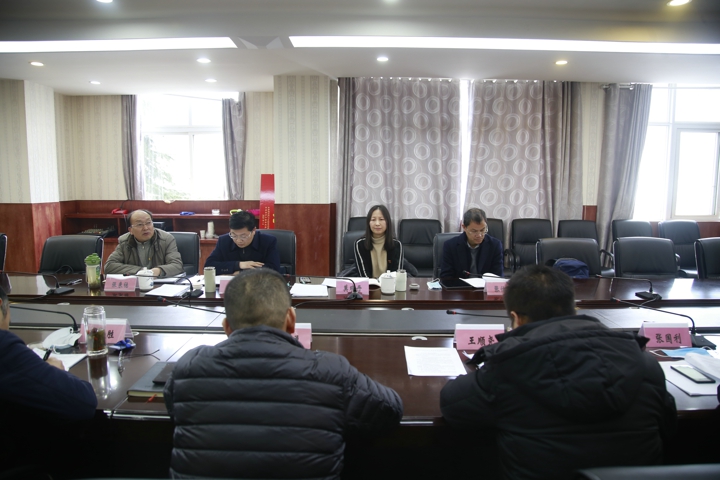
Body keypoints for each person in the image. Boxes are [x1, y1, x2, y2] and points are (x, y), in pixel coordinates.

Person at [440, 265, 677, 480]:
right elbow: (668, 426)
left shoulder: (508, 367)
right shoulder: (645, 363)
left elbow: (452, 405)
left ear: (515, 319)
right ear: (575, 308)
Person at [164, 269, 403, 479]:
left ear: (227, 327)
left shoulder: (189, 367)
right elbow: (391, 410)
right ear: (291, 320)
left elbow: (174, 406)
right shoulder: (330, 371)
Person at [105, 209, 184, 277]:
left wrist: (158, 271)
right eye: (139, 224)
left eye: (148, 223)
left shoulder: (166, 239)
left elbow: (177, 265)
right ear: (131, 230)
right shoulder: (125, 242)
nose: (145, 228)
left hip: (160, 283)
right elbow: (109, 266)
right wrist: (143, 271)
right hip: (136, 284)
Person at [204, 210, 281, 274]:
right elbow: (209, 266)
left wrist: (241, 272)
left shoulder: (268, 241)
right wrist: (238, 265)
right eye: (234, 235)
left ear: (254, 230)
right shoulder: (224, 241)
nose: (238, 240)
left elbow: (274, 269)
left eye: (243, 236)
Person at [440, 207, 503, 278]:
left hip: (485, 285)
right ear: (464, 227)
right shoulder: (450, 246)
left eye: (482, 230)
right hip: (460, 285)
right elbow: (446, 277)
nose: (479, 235)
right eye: (474, 231)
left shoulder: (495, 245)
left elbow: (497, 276)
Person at [353, 204, 404, 278]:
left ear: (387, 222)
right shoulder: (360, 244)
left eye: (381, 219)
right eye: (373, 220)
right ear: (368, 223)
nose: (377, 223)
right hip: (369, 284)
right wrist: (373, 284)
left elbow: (396, 273)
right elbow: (363, 274)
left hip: (389, 284)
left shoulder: (396, 244)